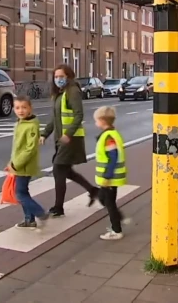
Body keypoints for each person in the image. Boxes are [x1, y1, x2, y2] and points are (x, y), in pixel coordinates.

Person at [40, 64, 99, 217]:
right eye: (56, 77)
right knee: (67, 171)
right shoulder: (60, 93)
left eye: (61, 76)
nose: (58, 79)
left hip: (70, 139)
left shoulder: (73, 91)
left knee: (58, 169)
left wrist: (68, 134)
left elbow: (79, 115)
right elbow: (55, 118)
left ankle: (58, 207)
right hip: (62, 139)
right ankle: (93, 190)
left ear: (69, 76)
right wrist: (45, 134)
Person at [8, 96, 49, 229]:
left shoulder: (31, 126)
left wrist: (16, 164)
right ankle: (29, 220)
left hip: (25, 166)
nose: (20, 111)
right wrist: (11, 162)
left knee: (20, 194)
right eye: (17, 108)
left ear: (30, 108)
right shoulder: (20, 122)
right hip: (19, 164)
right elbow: (17, 147)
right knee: (23, 192)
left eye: (24, 107)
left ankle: (40, 212)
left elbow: (29, 149)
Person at [93, 106, 128, 240]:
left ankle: (116, 230)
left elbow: (112, 157)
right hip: (109, 177)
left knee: (109, 202)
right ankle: (118, 219)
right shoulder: (111, 133)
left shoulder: (108, 137)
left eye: (96, 120)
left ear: (102, 120)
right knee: (104, 199)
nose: (96, 123)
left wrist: (107, 176)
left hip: (110, 178)